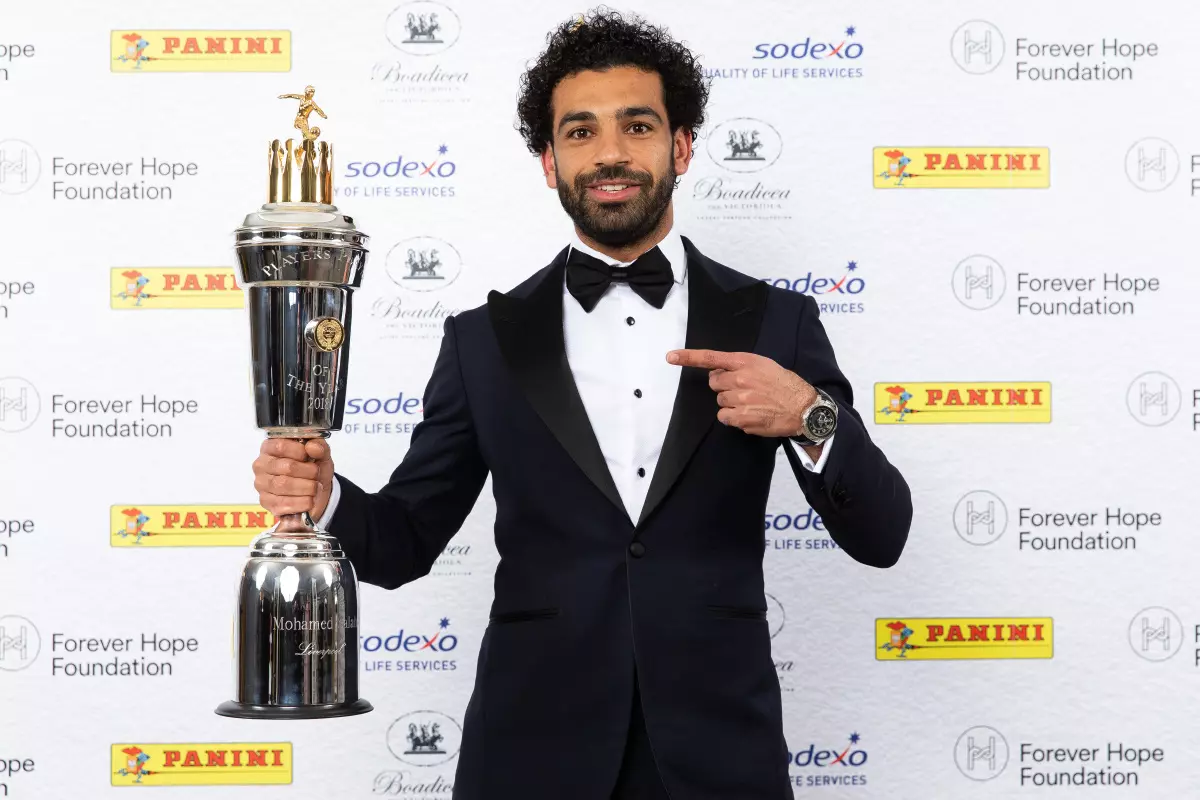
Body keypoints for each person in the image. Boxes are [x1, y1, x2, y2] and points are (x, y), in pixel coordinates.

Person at [252, 9, 912, 799]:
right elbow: (405, 542)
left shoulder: (776, 324)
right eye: (579, 131)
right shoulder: (483, 341)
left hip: (718, 759)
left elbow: (883, 534)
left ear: (682, 146)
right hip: (530, 754)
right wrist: (327, 500)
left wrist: (810, 415)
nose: (609, 154)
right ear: (547, 159)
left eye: (637, 125)